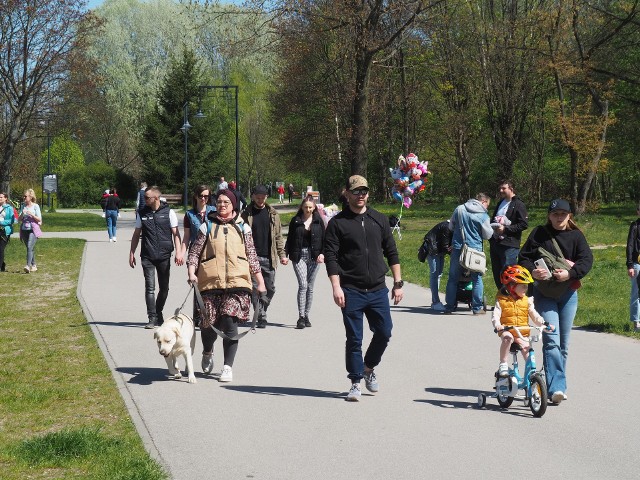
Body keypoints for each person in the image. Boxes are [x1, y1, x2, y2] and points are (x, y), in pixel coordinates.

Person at [324, 175, 404, 402]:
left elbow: (392, 252)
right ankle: (356, 382)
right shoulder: (338, 223)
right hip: (351, 290)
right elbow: (331, 258)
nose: (360, 195)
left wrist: (397, 283)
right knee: (354, 338)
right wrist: (336, 287)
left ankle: (369, 367)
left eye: (364, 191)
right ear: (347, 194)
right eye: (356, 191)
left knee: (384, 331)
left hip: (378, 288)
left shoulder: (378, 219)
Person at [187, 189, 266, 382]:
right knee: (208, 324)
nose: (222, 205)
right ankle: (207, 351)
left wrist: (260, 282)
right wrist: (191, 271)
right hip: (210, 282)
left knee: (230, 322)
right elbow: (195, 252)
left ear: (233, 205)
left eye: (226, 202)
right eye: (220, 202)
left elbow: (252, 255)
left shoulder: (242, 227)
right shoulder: (207, 226)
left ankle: (227, 367)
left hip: (237, 282)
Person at [518, 198, 593, 404]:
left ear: (569, 216)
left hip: (568, 293)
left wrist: (570, 274)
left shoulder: (576, 236)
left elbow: (587, 260)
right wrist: (533, 271)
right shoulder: (539, 234)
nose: (559, 217)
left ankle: (556, 384)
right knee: (552, 340)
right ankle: (556, 388)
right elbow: (523, 257)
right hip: (544, 294)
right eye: (555, 214)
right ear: (549, 216)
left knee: (563, 344)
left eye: (563, 214)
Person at [129, 186, 184, 329]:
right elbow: (136, 234)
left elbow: (176, 234)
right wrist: (131, 252)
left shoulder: (169, 213)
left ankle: (158, 312)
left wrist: (179, 252)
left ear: (156, 198)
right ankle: (152, 317)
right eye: (144, 197)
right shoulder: (142, 213)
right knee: (150, 288)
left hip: (164, 255)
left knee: (164, 288)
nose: (144, 200)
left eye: (147, 198)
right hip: (147, 255)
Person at [241, 185, 288, 328]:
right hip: (252, 257)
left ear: (266, 197)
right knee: (255, 289)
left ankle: (262, 309)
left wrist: (282, 255)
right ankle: (261, 316)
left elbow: (278, 237)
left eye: (263, 197)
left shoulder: (273, 214)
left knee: (270, 288)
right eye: (258, 197)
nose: (260, 200)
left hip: (269, 257)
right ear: (253, 196)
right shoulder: (246, 214)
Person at [491, 265, 550, 377]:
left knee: (528, 351)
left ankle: (531, 379)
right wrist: (498, 325)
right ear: (512, 286)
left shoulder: (527, 301)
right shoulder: (502, 300)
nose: (525, 289)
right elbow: (496, 315)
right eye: (523, 286)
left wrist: (543, 324)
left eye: (526, 286)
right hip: (507, 330)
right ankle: (503, 363)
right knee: (507, 339)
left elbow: (534, 315)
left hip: (521, 334)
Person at [442, 193, 493, 314]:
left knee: (453, 278)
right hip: (474, 249)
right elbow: (488, 235)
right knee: (477, 278)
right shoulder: (483, 215)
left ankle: (449, 306)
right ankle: (476, 308)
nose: (487, 207)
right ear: (484, 201)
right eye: (488, 205)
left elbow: (451, 226)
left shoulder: (460, 209)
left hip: (458, 246)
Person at [285, 195, 326, 329]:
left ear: (314, 208)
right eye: (305, 207)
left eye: (310, 207)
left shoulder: (319, 221)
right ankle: (301, 316)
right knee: (303, 285)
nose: (307, 209)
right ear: (301, 207)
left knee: (310, 287)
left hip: (314, 256)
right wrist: (285, 254)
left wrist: (322, 253)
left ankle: (307, 315)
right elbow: (290, 238)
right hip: (299, 255)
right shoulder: (295, 221)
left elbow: (325, 240)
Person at [182, 185, 217, 326]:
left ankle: (211, 315)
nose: (203, 198)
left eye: (206, 196)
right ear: (196, 196)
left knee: (211, 284)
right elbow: (186, 237)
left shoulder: (213, 212)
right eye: (201, 196)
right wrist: (181, 252)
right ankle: (198, 316)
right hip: (196, 253)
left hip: (211, 252)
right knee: (196, 284)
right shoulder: (189, 215)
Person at [488, 181, 529, 289]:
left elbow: (523, 224)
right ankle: (502, 300)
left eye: (503, 188)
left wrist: (506, 229)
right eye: (500, 188)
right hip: (496, 243)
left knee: (508, 273)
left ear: (511, 189)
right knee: (497, 273)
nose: (501, 191)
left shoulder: (519, 204)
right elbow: (494, 219)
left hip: (509, 245)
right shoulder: (500, 202)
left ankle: (510, 300)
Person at [423, 220, 453, 311]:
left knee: (439, 274)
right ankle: (435, 302)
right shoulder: (447, 227)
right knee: (435, 274)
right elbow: (445, 245)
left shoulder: (450, 226)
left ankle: (435, 300)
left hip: (439, 250)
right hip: (432, 250)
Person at [19, 189, 42, 274]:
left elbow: (39, 219)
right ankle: (34, 265)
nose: (24, 197)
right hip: (24, 229)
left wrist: (31, 214)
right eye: (24, 196)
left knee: (29, 247)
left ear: (30, 197)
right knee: (30, 248)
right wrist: (22, 214)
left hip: (33, 229)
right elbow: (19, 219)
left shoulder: (36, 206)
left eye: (26, 196)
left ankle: (28, 266)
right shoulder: (23, 206)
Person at [626, 204, 640, 333]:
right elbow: (630, 245)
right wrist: (630, 265)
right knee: (636, 294)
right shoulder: (635, 226)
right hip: (637, 264)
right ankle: (636, 323)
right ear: (638, 212)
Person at [0, 192, 16, 272]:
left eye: (1, 197)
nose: (0, 198)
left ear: (6, 198)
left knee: (1, 248)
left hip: (5, 231)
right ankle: (2, 264)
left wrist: (1, 222)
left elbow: (12, 220)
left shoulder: (9, 208)